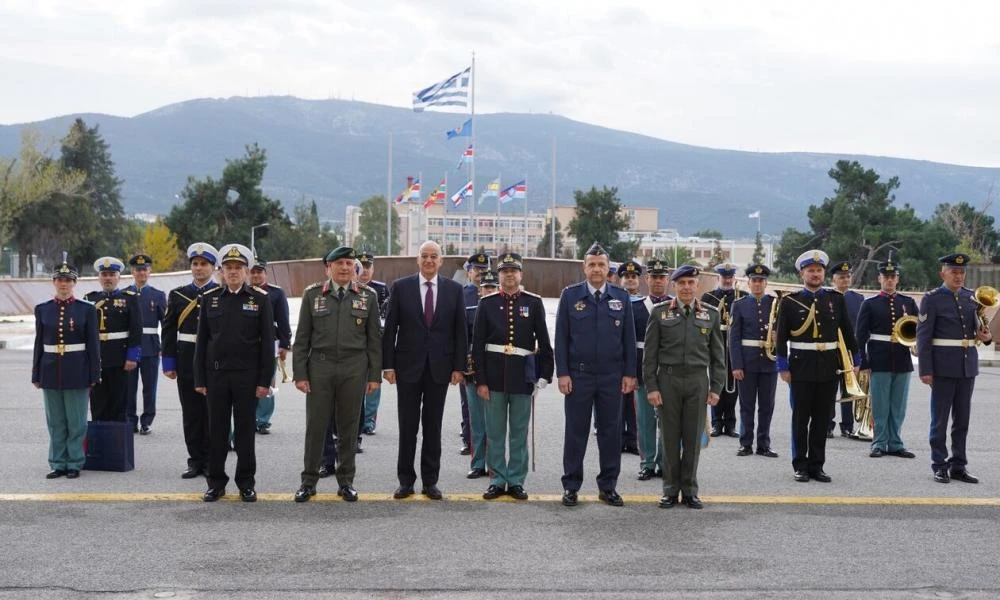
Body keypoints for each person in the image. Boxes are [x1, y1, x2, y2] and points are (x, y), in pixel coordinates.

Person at [292, 247, 382, 503]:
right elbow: (302, 339)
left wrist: (374, 375)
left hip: (354, 368)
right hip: (320, 366)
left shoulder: (368, 296)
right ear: (328, 267)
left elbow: (374, 339)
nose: (345, 267)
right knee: (316, 426)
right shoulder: (312, 295)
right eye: (339, 263)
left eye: (349, 263)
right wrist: (300, 374)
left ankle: (346, 482)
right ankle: (308, 481)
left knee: (349, 427)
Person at [382, 240, 467, 500]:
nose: (429, 260)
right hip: (407, 368)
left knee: (433, 427)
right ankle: (405, 481)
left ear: (441, 261)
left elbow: (460, 332)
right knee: (407, 427)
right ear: (417, 260)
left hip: (439, 369)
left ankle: (430, 481)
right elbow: (390, 330)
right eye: (424, 256)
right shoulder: (401, 287)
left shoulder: (454, 290)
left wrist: (459, 367)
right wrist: (388, 365)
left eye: (434, 256)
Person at [555, 242, 636, 507]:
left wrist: (629, 374)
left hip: (612, 377)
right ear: (584, 267)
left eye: (601, 264)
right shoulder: (570, 296)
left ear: (608, 268)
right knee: (575, 432)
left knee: (611, 433)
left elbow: (629, 340)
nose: (597, 269)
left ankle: (608, 486)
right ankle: (571, 486)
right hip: (579, 377)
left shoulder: (621, 298)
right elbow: (562, 339)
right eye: (592, 264)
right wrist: (563, 373)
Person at [194, 244, 274, 502]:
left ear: (246, 271)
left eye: (238, 268)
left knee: (244, 432)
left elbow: (267, 344)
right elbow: (202, 342)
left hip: (246, 377)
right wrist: (200, 379)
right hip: (216, 376)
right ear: (221, 272)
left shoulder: (259, 299)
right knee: (216, 431)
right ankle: (215, 483)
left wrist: (265, 381)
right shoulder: (210, 299)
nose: (233, 272)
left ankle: (246, 482)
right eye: (228, 268)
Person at [472, 254, 553, 500]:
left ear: (521, 275)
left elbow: (544, 342)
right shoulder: (486, 304)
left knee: (519, 432)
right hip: (494, 377)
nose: (509, 275)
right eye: (505, 271)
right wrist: (481, 380)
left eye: (513, 271)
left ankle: (516, 480)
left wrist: (545, 375)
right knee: (495, 432)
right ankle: (497, 479)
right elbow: (477, 346)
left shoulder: (534, 303)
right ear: (498, 275)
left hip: (522, 378)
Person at [776, 250, 859, 483]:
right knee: (801, 419)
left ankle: (817, 465)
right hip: (801, 366)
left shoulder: (835, 299)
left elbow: (847, 331)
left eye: (819, 270)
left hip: (828, 366)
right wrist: (782, 366)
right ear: (802, 273)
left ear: (824, 273)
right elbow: (781, 336)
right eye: (810, 270)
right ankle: (800, 465)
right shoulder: (790, 301)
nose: (815, 274)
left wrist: (858, 358)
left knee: (822, 419)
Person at [645, 264, 724, 508]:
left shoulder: (710, 314)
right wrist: (652, 387)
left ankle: (689, 490)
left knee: (692, 438)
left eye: (691, 283)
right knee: (669, 439)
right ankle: (670, 490)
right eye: (682, 283)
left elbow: (718, 356)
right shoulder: (659, 314)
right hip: (668, 381)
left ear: (697, 286)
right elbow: (650, 355)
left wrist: (716, 387)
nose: (687, 287)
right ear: (674, 286)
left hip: (698, 382)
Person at [917, 253, 993, 484]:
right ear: (943, 273)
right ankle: (939, 464)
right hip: (942, 367)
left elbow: (981, 332)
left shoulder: (972, 298)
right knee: (939, 420)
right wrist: (925, 369)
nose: (959, 276)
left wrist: (987, 337)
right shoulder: (932, 298)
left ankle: (958, 465)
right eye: (954, 272)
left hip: (966, 366)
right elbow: (923, 337)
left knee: (962, 420)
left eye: (962, 272)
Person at [32, 260, 101, 479]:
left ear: (74, 283)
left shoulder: (86, 310)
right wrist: (36, 373)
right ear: (54, 282)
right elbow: (38, 343)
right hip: (50, 370)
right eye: (60, 280)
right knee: (55, 421)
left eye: (68, 280)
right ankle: (57, 462)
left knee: (76, 421)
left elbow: (93, 345)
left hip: (77, 371)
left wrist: (94, 373)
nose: (64, 284)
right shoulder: (42, 309)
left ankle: (74, 462)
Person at [162, 243, 220, 479]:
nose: (198, 268)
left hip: (212, 360)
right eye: (195, 264)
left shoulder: (220, 293)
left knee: (212, 413)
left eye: (203, 264)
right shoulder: (178, 295)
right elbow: (167, 330)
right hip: (186, 358)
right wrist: (168, 362)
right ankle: (195, 460)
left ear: (213, 267)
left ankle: (210, 460)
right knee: (191, 413)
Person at [856, 260, 919, 459]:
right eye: (886, 277)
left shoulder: (908, 303)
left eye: (893, 277)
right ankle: (880, 442)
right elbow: (860, 334)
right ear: (879, 279)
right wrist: (864, 361)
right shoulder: (870, 303)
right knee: (881, 404)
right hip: (879, 358)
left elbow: (918, 330)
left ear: (897, 279)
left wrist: (917, 347)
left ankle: (895, 442)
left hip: (902, 359)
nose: (889, 280)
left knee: (898, 405)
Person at [729, 264, 779, 458]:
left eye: (761, 280)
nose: (757, 284)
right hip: (747, 362)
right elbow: (733, 338)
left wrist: (777, 337)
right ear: (748, 282)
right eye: (754, 280)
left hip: (768, 361)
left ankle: (764, 444)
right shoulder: (739, 305)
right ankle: (746, 443)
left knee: (767, 406)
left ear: (766, 283)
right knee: (747, 405)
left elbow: (782, 333)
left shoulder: (775, 303)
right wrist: (737, 365)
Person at [84, 257, 142, 422]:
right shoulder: (90, 300)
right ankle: (100, 444)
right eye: (104, 274)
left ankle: (117, 444)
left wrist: (132, 356)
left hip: (120, 358)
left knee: (119, 403)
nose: (107, 278)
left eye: (111, 274)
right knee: (98, 403)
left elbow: (136, 329)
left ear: (119, 277)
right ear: (99, 277)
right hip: (97, 358)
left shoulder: (130, 298)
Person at [632, 258, 671, 480]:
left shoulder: (674, 306)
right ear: (647, 279)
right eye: (654, 277)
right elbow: (629, 344)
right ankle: (647, 462)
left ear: (667, 280)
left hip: (668, 372)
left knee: (667, 419)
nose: (658, 281)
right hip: (643, 371)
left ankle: (664, 461)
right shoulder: (635, 307)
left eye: (662, 277)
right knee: (645, 420)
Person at [124, 254, 166, 435]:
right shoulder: (124, 294)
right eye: (137, 269)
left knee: (150, 387)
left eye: (144, 269)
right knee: (129, 387)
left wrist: (165, 346)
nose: (141, 272)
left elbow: (166, 324)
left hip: (150, 346)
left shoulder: (157, 295)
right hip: (129, 348)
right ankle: (130, 420)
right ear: (132, 272)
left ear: (149, 271)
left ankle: (147, 421)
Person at [250, 258, 292, 435]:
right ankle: (248, 417)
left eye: (259, 272)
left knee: (267, 381)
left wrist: (284, 344)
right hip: (248, 343)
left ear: (265, 274)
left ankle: (263, 420)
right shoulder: (243, 292)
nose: (256, 275)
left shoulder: (276, 293)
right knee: (248, 382)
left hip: (270, 343)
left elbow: (283, 319)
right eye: (253, 272)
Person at [700, 263, 743, 437]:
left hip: (734, 343)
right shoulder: (708, 297)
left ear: (733, 278)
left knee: (733, 385)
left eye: (730, 277)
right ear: (718, 278)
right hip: (715, 341)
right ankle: (717, 423)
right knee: (716, 382)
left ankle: (730, 423)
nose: (727, 280)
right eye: (724, 277)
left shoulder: (741, 297)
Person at [464, 269, 499, 479]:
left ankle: (494, 464)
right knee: (476, 420)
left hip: (497, 371)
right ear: (479, 290)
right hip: (474, 370)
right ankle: (478, 463)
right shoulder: (470, 311)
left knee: (495, 422)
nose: (489, 291)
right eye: (486, 287)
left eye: (493, 287)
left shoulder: (504, 310)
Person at [828, 261, 865, 439]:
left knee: (848, 388)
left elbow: (861, 327)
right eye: (841, 277)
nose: (845, 279)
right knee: (829, 388)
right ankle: (828, 424)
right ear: (833, 279)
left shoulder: (858, 299)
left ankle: (847, 426)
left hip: (850, 349)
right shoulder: (827, 296)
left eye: (848, 276)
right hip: (831, 349)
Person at [459, 252, 490, 455]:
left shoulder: (496, 291)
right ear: (468, 272)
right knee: (468, 402)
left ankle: (489, 447)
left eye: (484, 270)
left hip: (491, 357)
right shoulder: (461, 295)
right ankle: (469, 440)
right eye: (477, 270)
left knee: (490, 405)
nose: (480, 274)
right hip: (468, 357)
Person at [357, 249, 389, 435]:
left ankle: (369, 420)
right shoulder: (352, 289)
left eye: (368, 267)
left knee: (373, 383)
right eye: (361, 267)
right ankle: (358, 419)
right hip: (356, 343)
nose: (365, 271)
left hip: (375, 343)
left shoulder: (381, 289)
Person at [616, 260, 643, 456]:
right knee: (617, 402)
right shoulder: (613, 301)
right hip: (617, 357)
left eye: (633, 277)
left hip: (637, 357)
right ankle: (617, 439)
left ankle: (632, 439)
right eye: (626, 277)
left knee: (633, 403)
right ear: (620, 280)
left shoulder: (643, 303)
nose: (630, 280)